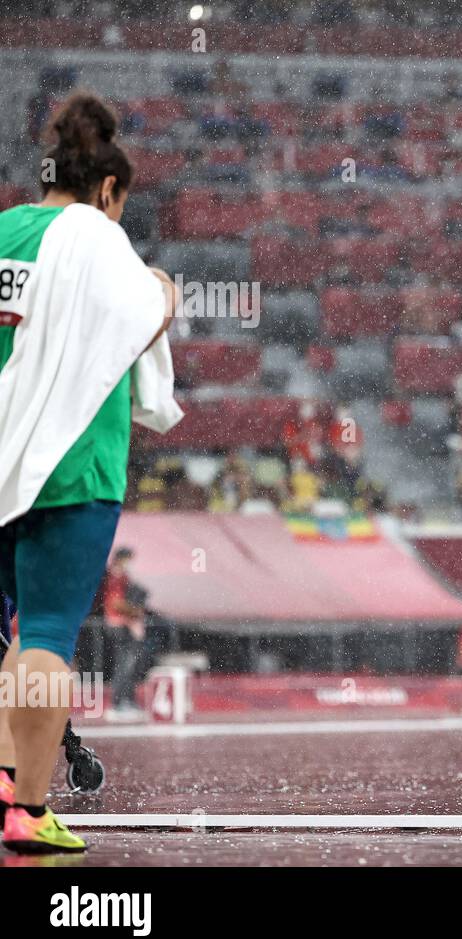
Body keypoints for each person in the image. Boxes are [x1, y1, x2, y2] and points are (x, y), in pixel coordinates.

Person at [0, 92, 179, 854]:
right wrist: (167, 287)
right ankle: (28, 810)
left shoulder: (5, 230)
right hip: (72, 472)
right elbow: (148, 311)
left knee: (10, 632)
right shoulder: (101, 241)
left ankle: (8, 773)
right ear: (108, 190)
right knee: (43, 635)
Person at [102, 547, 156, 720]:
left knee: (128, 664)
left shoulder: (119, 576)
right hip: (120, 624)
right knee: (125, 665)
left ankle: (126, 701)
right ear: (121, 559)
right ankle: (119, 703)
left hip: (122, 623)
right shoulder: (117, 576)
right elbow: (116, 603)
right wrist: (135, 611)